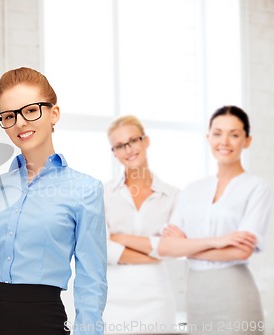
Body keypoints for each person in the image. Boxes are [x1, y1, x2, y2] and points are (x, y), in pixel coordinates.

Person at [0, 67, 107, 335]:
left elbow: (91, 280)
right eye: (9, 116)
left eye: (30, 110)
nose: (20, 123)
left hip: (43, 320)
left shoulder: (85, 189)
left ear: (54, 113)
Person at [158, 106, 271, 335]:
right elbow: (167, 247)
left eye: (235, 134)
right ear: (208, 137)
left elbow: (240, 252)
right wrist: (221, 241)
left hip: (236, 292)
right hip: (196, 294)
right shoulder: (191, 190)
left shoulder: (257, 188)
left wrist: (187, 246)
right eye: (217, 133)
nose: (225, 141)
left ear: (247, 140)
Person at [102, 115, 178, 334]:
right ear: (114, 152)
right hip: (114, 298)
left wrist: (122, 239)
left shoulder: (172, 196)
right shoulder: (103, 193)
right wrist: (155, 252)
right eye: (119, 146)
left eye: (133, 141)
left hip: (157, 297)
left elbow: (175, 249)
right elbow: (102, 248)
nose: (128, 150)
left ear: (146, 141)